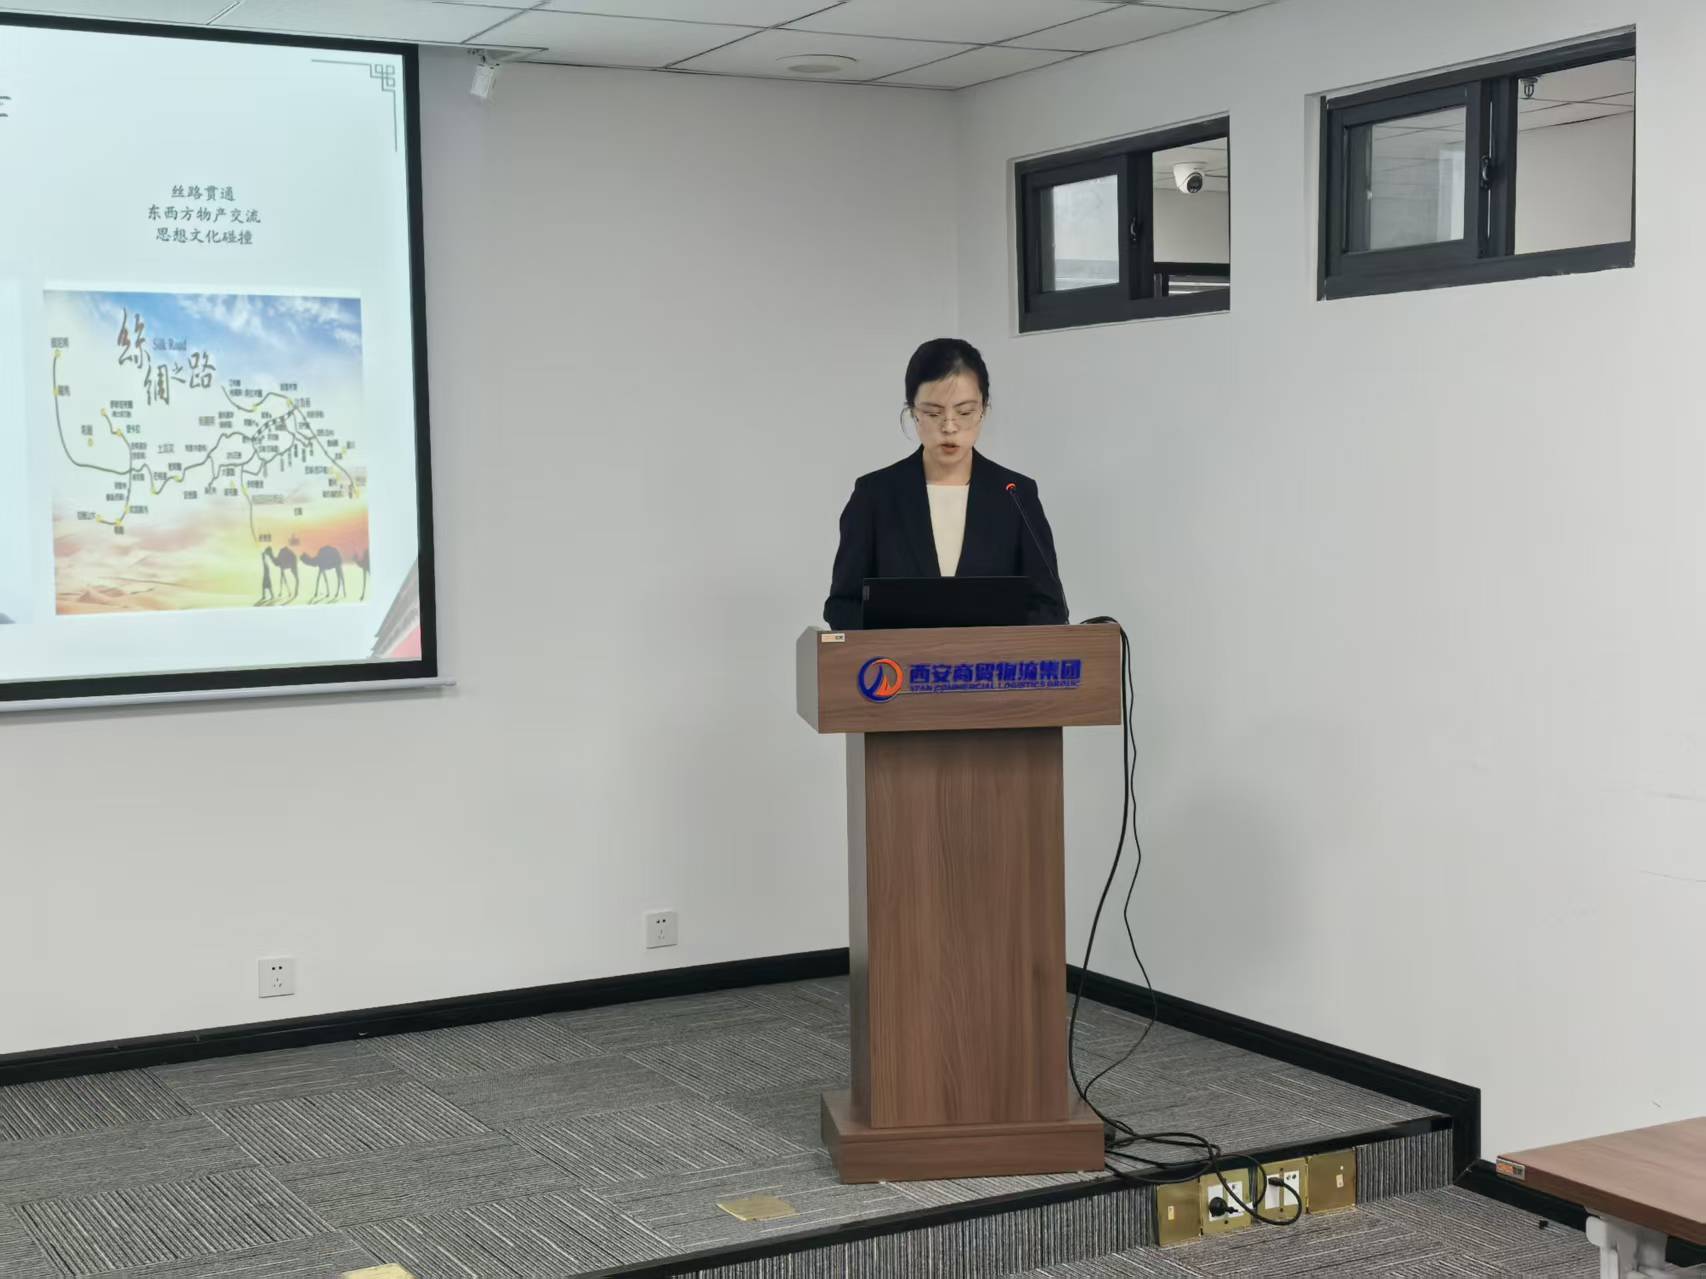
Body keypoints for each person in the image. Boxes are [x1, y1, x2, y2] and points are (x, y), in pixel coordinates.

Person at [823, 338, 1068, 630]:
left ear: (983, 410)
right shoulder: (875, 495)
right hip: (899, 659)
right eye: (933, 413)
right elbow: (842, 606)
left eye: (964, 412)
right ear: (913, 411)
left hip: (994, 659)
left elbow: (1050, 607)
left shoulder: (1015, 495)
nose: (949, 427)